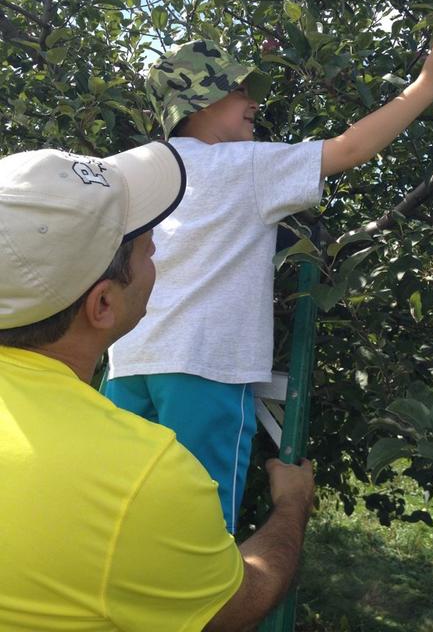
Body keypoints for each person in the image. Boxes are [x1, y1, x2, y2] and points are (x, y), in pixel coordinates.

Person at [105, 26, 433, 532]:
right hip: (207, 366)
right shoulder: (245, 165)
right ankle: (203, 611)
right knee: (197, 527)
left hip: (126, 364)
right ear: (199, 104)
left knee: (120, 509)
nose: (252, 100)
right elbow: (349, 149)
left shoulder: (130, 168)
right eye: (237, 91)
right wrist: (426, 85)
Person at [0, 142, 315, 632]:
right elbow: (233, 609)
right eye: (148, 249)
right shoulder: (143, 478)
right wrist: (292, 504)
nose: (157, 257)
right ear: (102, 305)